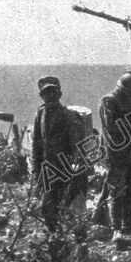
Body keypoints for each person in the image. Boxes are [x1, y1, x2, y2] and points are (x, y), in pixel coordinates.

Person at [31, 76, 87, 233]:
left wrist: (75, 168)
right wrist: (36, 169)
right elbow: (37, 144)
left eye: (53, 92)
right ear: (41, 96)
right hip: (47, 170)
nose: (50, 96)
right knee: (50, 208)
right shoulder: (40, 114)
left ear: (59, 94)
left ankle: (61, 236)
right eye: (46, 93)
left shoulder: (69, 115)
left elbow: (77, 145)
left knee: (54, 207)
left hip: (64, 169)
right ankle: (57, 236)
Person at [100, 71, 131, 237]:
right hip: (116, 153)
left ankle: (128, 225)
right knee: (117, 190)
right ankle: (116, 228)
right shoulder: (109, 101)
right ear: (125, 89)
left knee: (130, 187)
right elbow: (111, 127)